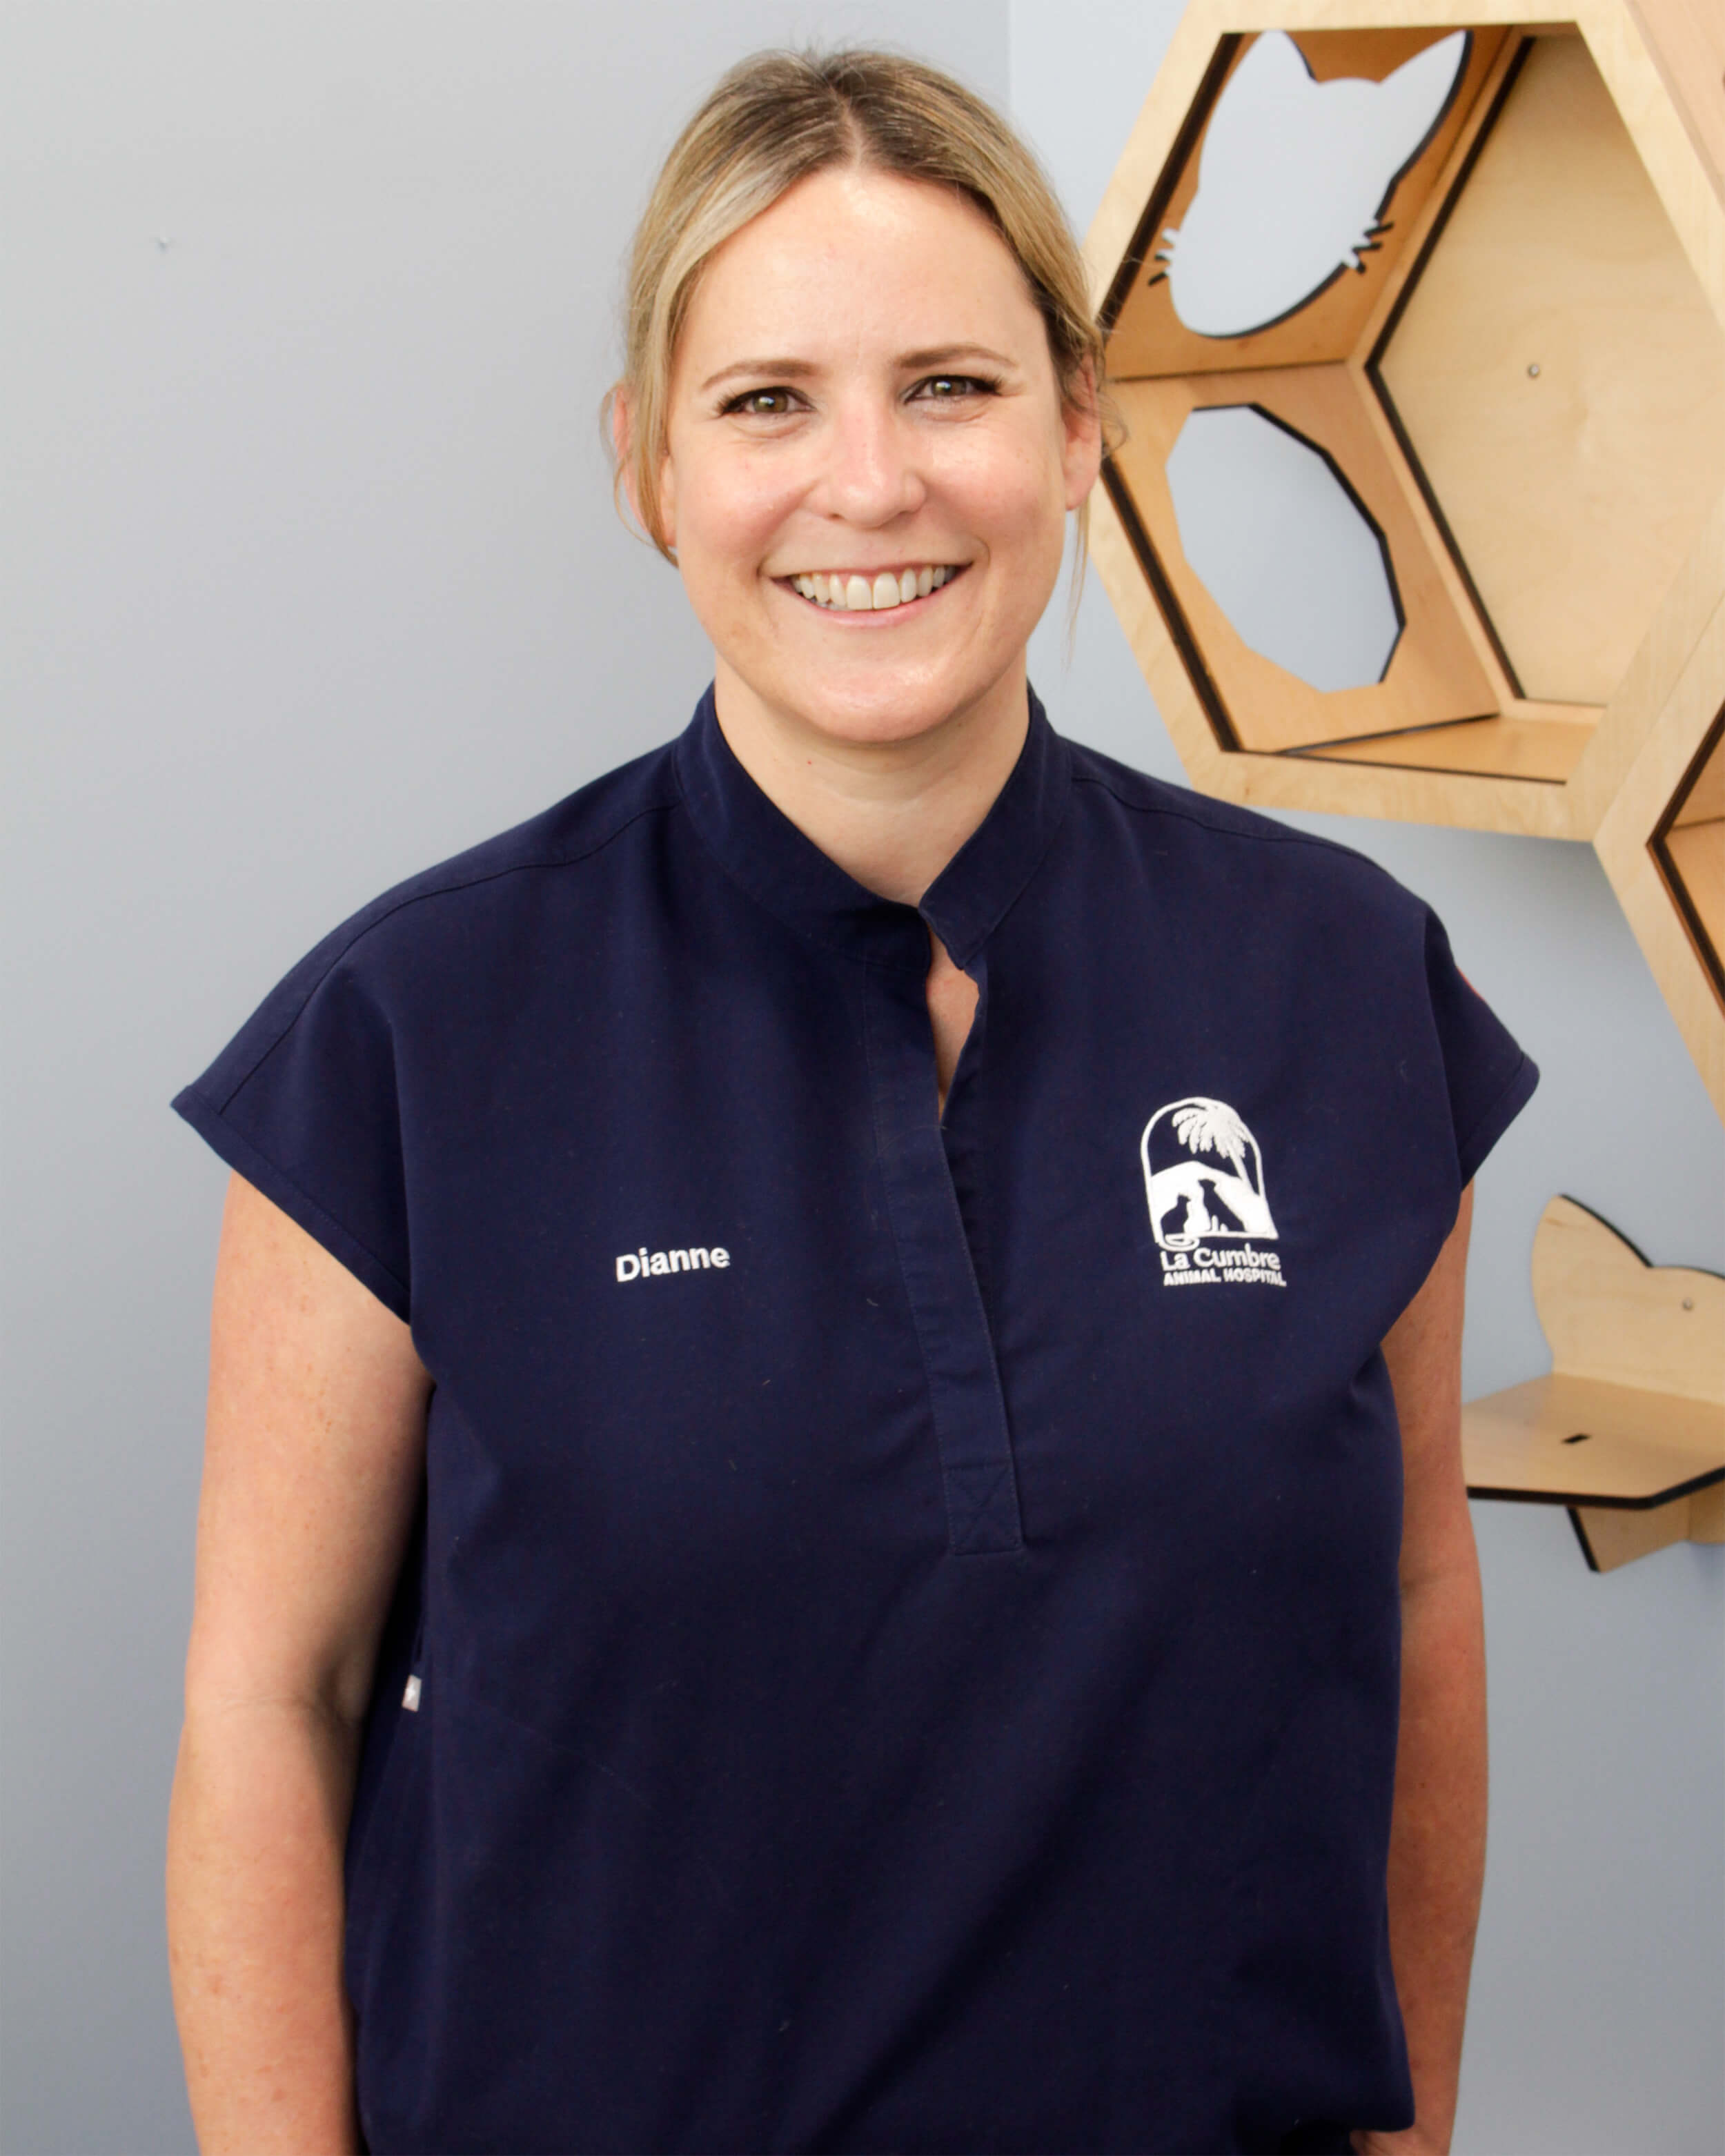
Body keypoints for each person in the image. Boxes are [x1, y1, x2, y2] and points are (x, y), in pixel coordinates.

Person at [164, 46, 1537, 2156]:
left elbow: (1413, 1598)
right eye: (766, 402)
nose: (869, 484)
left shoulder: (1337, 981)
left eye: (951, 387)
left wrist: (1408, 2136)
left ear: (1075, 432)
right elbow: (272, 1704)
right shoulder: (412, 1033)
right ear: (648, 466)